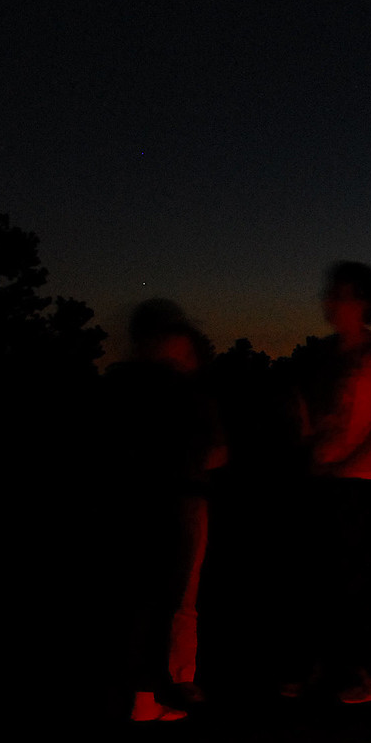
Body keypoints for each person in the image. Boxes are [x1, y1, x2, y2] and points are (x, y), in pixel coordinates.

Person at [288, 261, 371, 704]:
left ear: (363, 303)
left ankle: (363, 673)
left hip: (357, 482)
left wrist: (351, 463)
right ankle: (320, 667)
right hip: (319, 476)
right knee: (315, 578)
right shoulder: (323, 357)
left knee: (351, 579)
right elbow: (308, 411)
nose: (331, 303)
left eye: (341, 295)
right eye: (330, 295)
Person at [103, 299, 225, 721]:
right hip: (168, 498)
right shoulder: (161, 393)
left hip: (168, 496)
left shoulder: (133, 387)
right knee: (157, 597)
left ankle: (153, 690)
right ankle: (147, 692)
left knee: (158, 597)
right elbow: (200, 451)